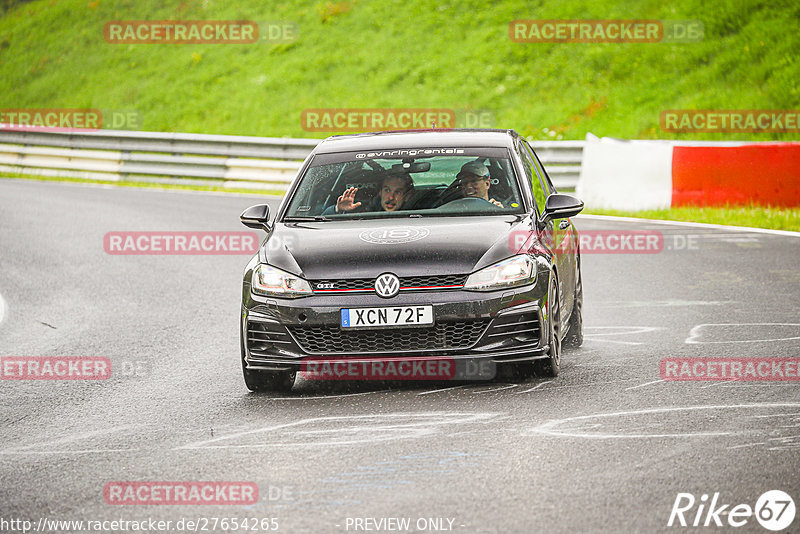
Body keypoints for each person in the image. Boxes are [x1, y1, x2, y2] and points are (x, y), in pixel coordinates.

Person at [326, 172, 414, 214]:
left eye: (398, 192)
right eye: (387, 190)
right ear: (380, 192)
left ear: (407, 196)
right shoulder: (363, 211)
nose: (391, 197)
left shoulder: (420, 213)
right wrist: (339, 209)